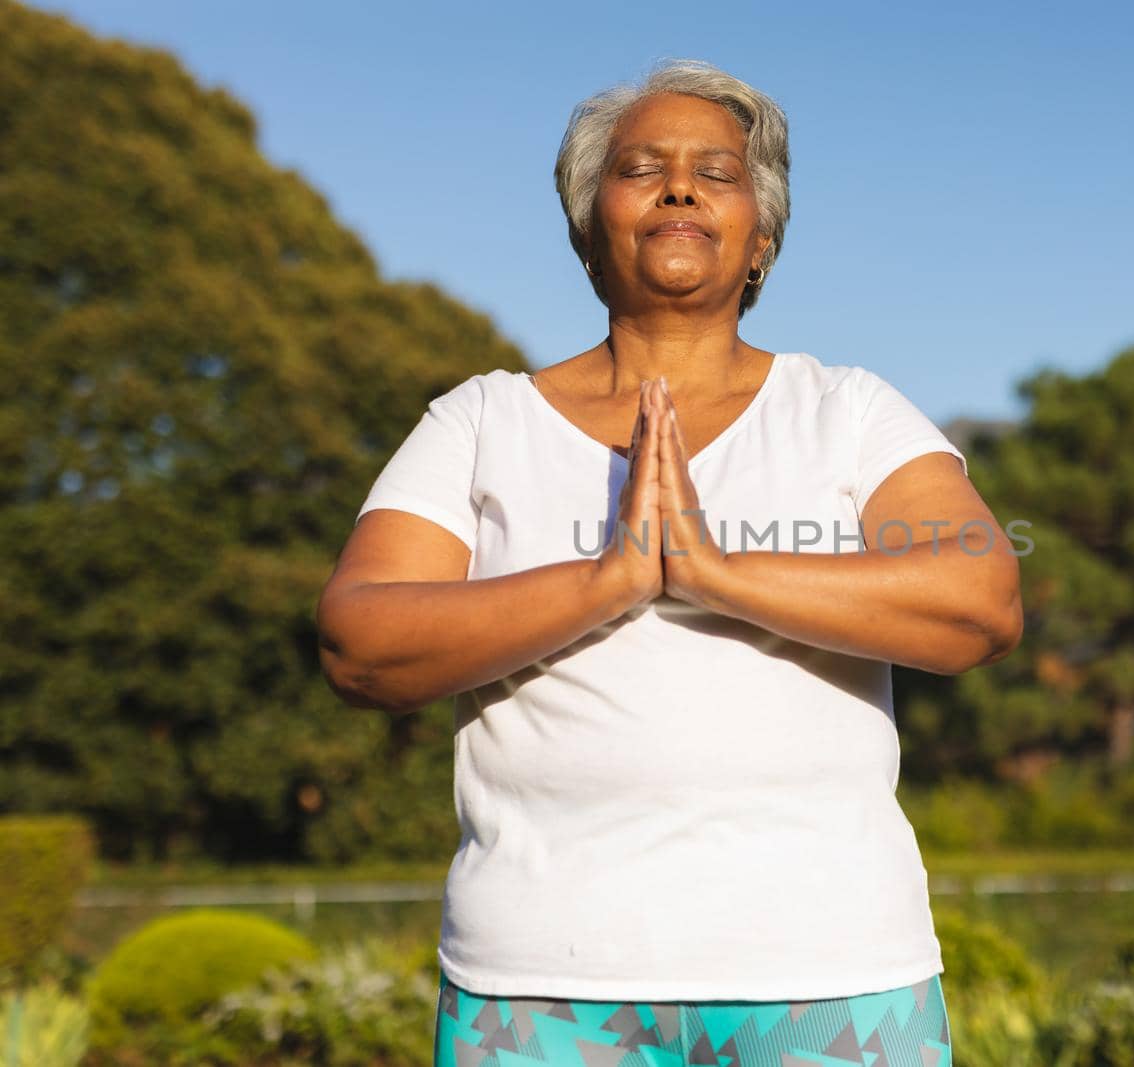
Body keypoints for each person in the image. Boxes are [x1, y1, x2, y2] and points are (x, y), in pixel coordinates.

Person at [317, 57, 1023, 1067]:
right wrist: (609, 578)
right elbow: (361, 641)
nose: (680, 187)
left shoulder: (851, 409)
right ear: (586, 228)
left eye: (717, 173)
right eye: (641, 167)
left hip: (832, 976)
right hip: (538, 988)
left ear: (761, 239)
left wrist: (707, 568)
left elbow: (980, 600)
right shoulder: (478, 420)